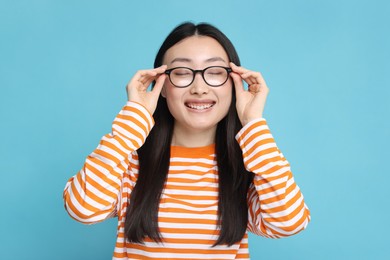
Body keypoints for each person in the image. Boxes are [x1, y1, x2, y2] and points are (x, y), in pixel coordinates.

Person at [63, 22, 310, 259]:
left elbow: (289, 222)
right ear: (160, 85)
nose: (199, 88)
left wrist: (253, 123)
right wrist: (132, 120)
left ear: (235, 84)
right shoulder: (129, 163)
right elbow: (83, 208)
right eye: (182, 73)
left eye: (215, 72)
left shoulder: (249, 168)